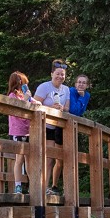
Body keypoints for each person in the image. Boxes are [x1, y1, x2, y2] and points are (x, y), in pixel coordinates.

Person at [33, 60, 71, 194]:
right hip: (46, 125)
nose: (60, 76)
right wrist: (50, 107)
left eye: (63, 74)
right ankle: (43, 187)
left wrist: (62, 108)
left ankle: (54, 187)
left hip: (60, 127)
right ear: (51, 74)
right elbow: (34, 104)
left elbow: (67, 108)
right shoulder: (44, 87)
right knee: (48, 158)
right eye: (58, 74)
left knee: (60, 158)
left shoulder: (66, 89)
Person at [5, 71, 33, 194]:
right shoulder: (12, 96)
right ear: (18, 83)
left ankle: (33, 184)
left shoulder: (24, 96)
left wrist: (32, 100)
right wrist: (26, 100)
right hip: (18, 131)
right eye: (24, 83)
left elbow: (33, 104)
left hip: (29, 131)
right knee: (19, 159)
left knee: (29, 160)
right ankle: (18, 185)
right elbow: (17, 111)